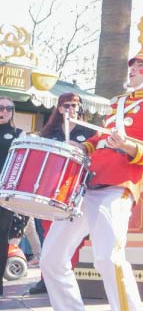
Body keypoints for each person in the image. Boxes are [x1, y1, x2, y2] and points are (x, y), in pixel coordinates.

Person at [36, 36, 143, 311]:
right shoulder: (118, 103)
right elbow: (101, 140)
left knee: (108, 259)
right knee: (51, 257)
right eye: (132, 64)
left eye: (140, 65)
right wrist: (83, 146)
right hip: (87, 187)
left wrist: (129, 147)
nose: (132, 69)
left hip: (116, 190)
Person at [28, 92, 97, 295]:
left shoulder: (88, 132)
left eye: (75, 106)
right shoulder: (50, 132)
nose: (71, 109)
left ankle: (68, 279)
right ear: (59, 108)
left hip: (78, 188)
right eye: (67, 105)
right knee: (48, 234)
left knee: (71, 238)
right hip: (53, 189)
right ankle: (45, 279)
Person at [0, 97, 24, 298]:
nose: (4, 111)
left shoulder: (18, 134)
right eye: (1, 107)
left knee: (1, 239)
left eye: (9, 108)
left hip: (4, 193)